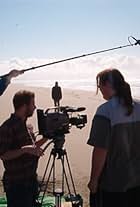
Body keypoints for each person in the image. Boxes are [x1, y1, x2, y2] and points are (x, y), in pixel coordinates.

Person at [87, 68, 140, 207]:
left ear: (108, 85)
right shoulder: (139, 106)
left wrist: (94, 180)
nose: (99, 89)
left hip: (113, 184)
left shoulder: (105, 110)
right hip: (136, 179)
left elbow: (100, 151)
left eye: (100, 85)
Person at [0, 90, 48, 207]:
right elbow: (3, 155)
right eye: (33, 104)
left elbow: (33, 147)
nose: (35, 107)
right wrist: (24, 150)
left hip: (31, 181)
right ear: (24, 106)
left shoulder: (27, 126)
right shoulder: (7, 127)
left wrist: (47, 137)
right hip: (16, 184)